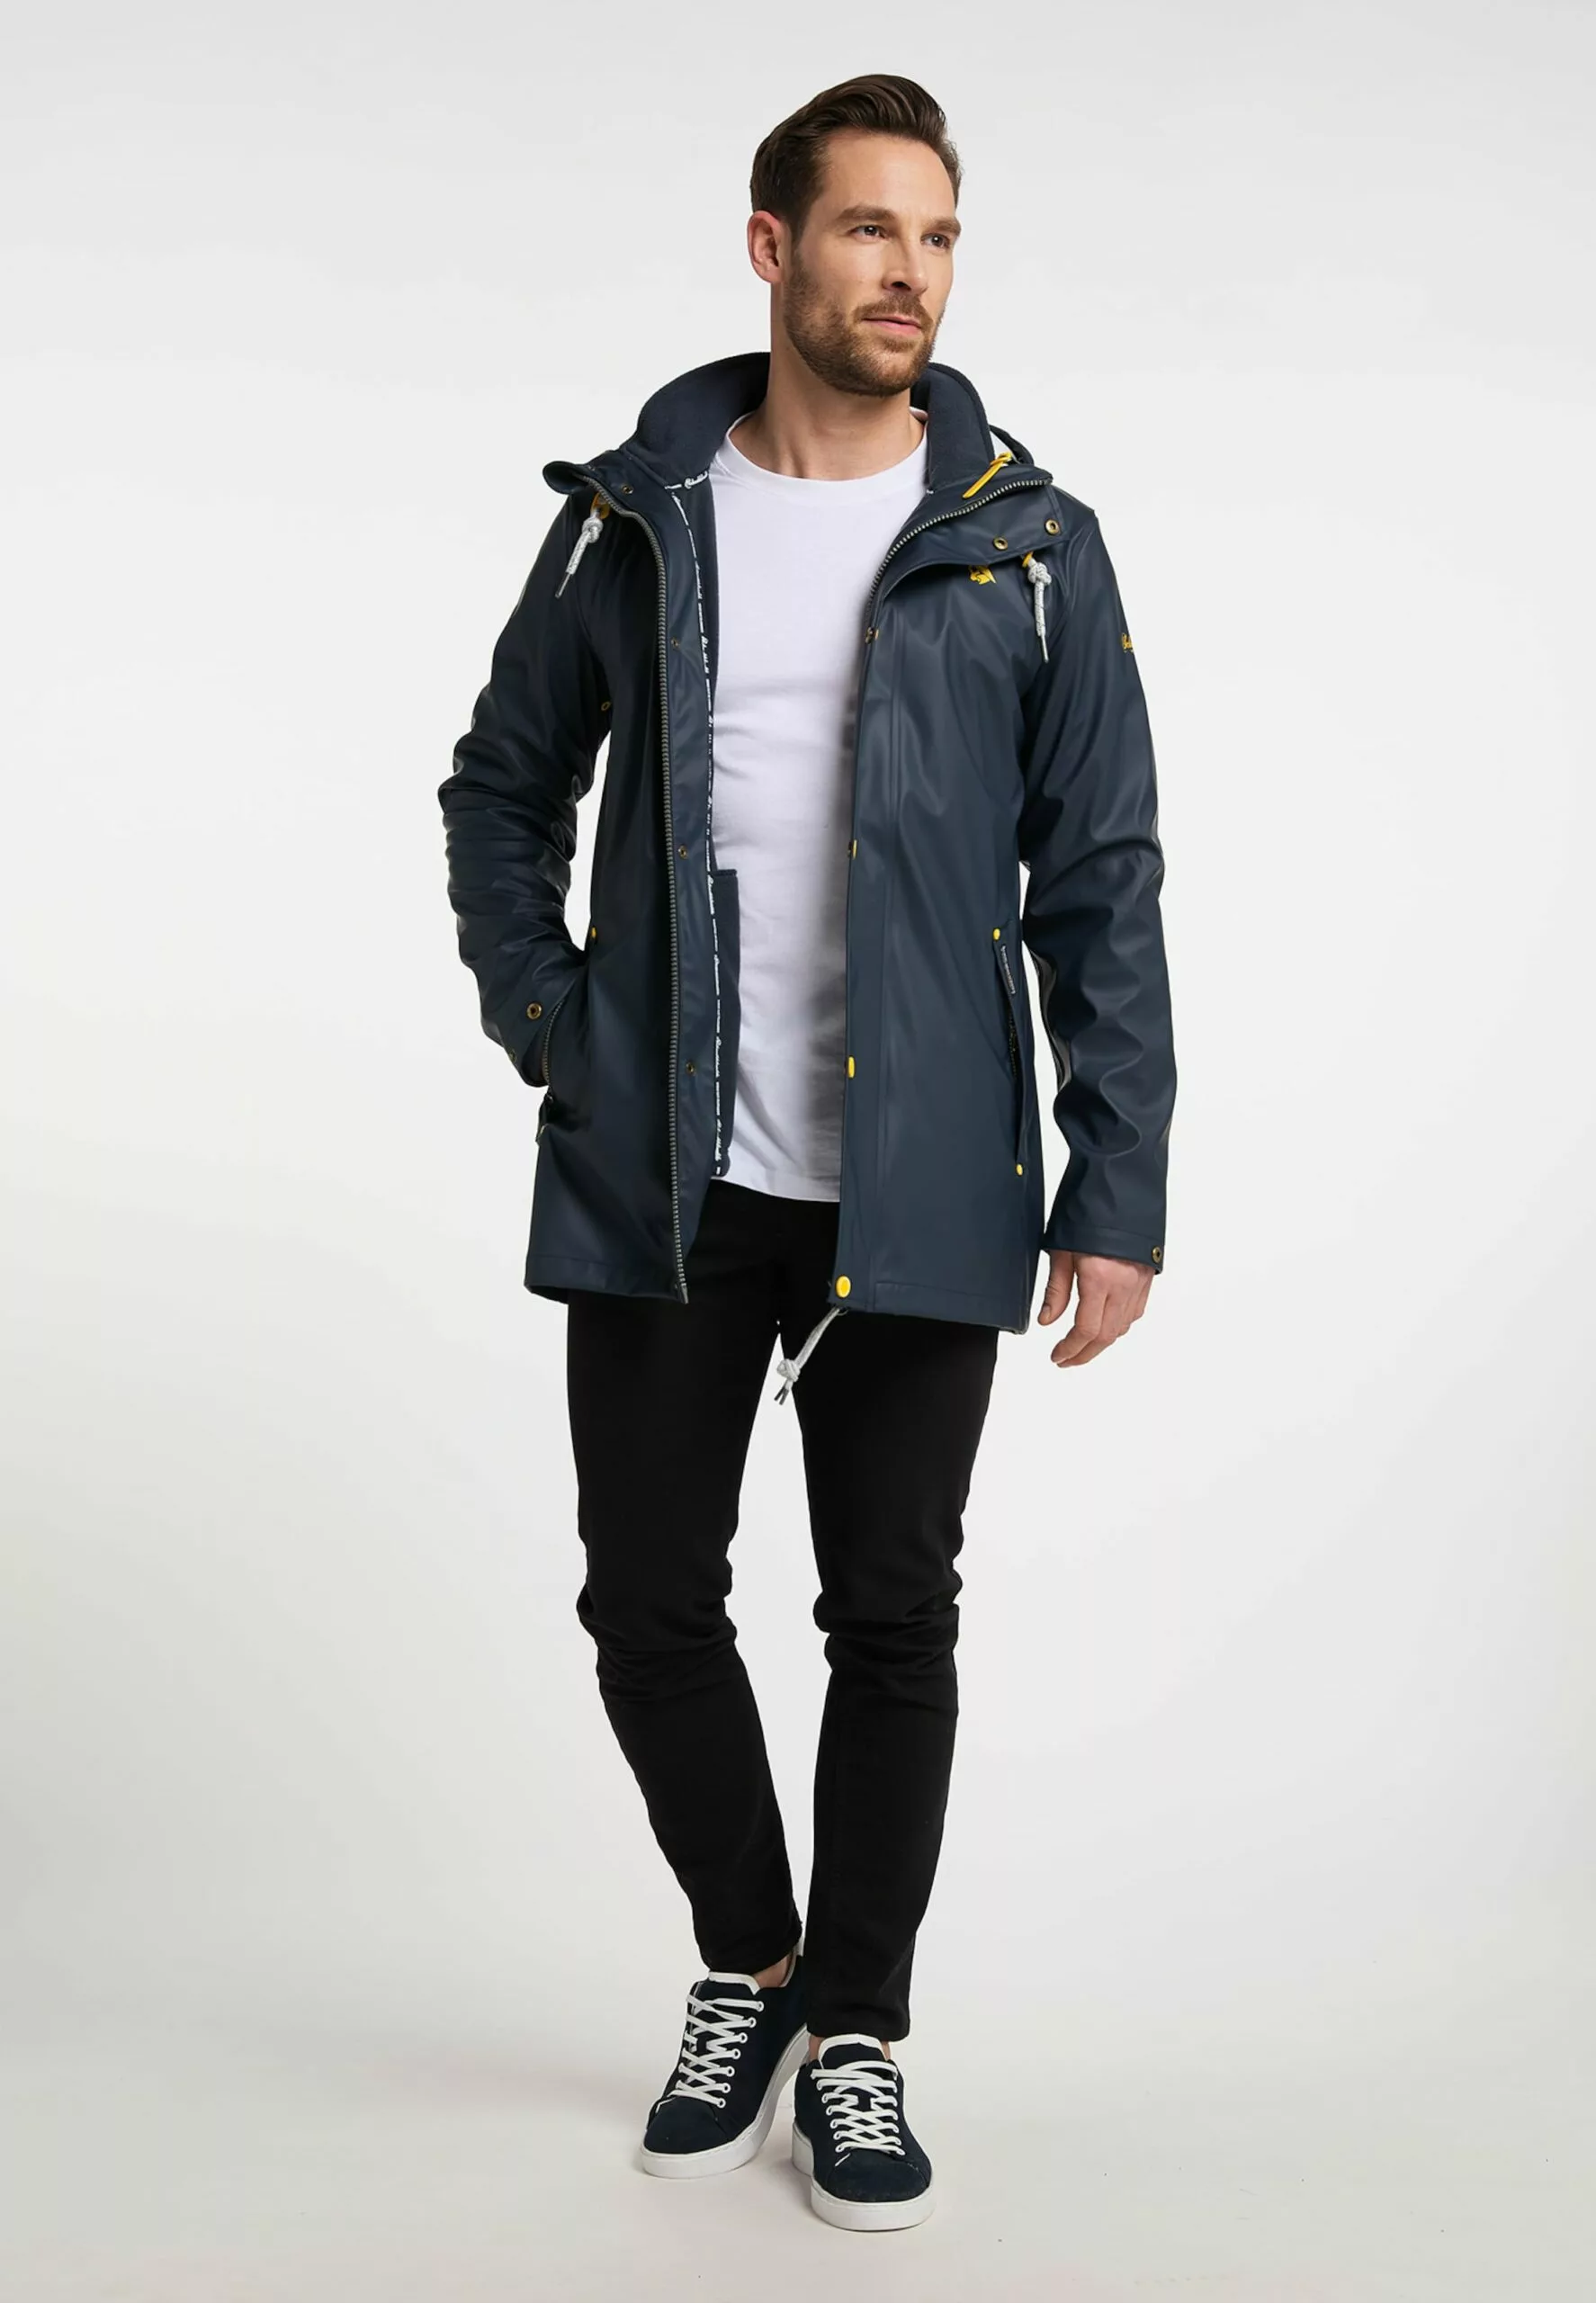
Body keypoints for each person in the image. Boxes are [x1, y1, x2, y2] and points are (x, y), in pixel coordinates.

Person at [438, 72, 1176, 2233]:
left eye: (935, 237)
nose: (907, 275)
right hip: (666, 1169)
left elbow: (1099, 875)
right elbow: (501, 790)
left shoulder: (1029, 545)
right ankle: (756, 1962)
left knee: (890, 1617)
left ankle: (856, 2027)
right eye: (867, 229)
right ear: (771, 248)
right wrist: (558, 1025)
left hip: (921, 1172)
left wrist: (1114, 1180)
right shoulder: (635, 520)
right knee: (647, 1603)